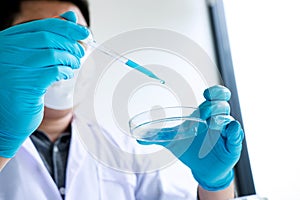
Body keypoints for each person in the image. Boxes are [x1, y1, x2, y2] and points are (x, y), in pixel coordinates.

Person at [0, 0, 244, 199]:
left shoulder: (120, 148)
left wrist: (216, 185)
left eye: (73, 39)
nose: (60, 53)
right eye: (41, 39)